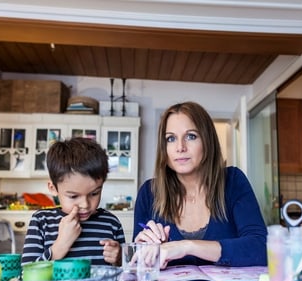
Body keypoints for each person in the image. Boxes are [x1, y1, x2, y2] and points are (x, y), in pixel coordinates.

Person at [133, 101, 267, 268]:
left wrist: (187, 247)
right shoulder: (148, 193)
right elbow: (138, 265)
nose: (180, 147)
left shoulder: (233, 181)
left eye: (191, 136)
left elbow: (261, 249)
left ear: (207, 141)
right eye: (171, 138)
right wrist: (142, 250)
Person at [21, 137, 124, 266]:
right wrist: (60, 246)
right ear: (53, 188)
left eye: (94, 193)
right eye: (73, 196)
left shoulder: (111, 223)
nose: (85, 205)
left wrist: (120, 259)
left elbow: (128, 273)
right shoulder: (42, 221)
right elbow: (26, 274)